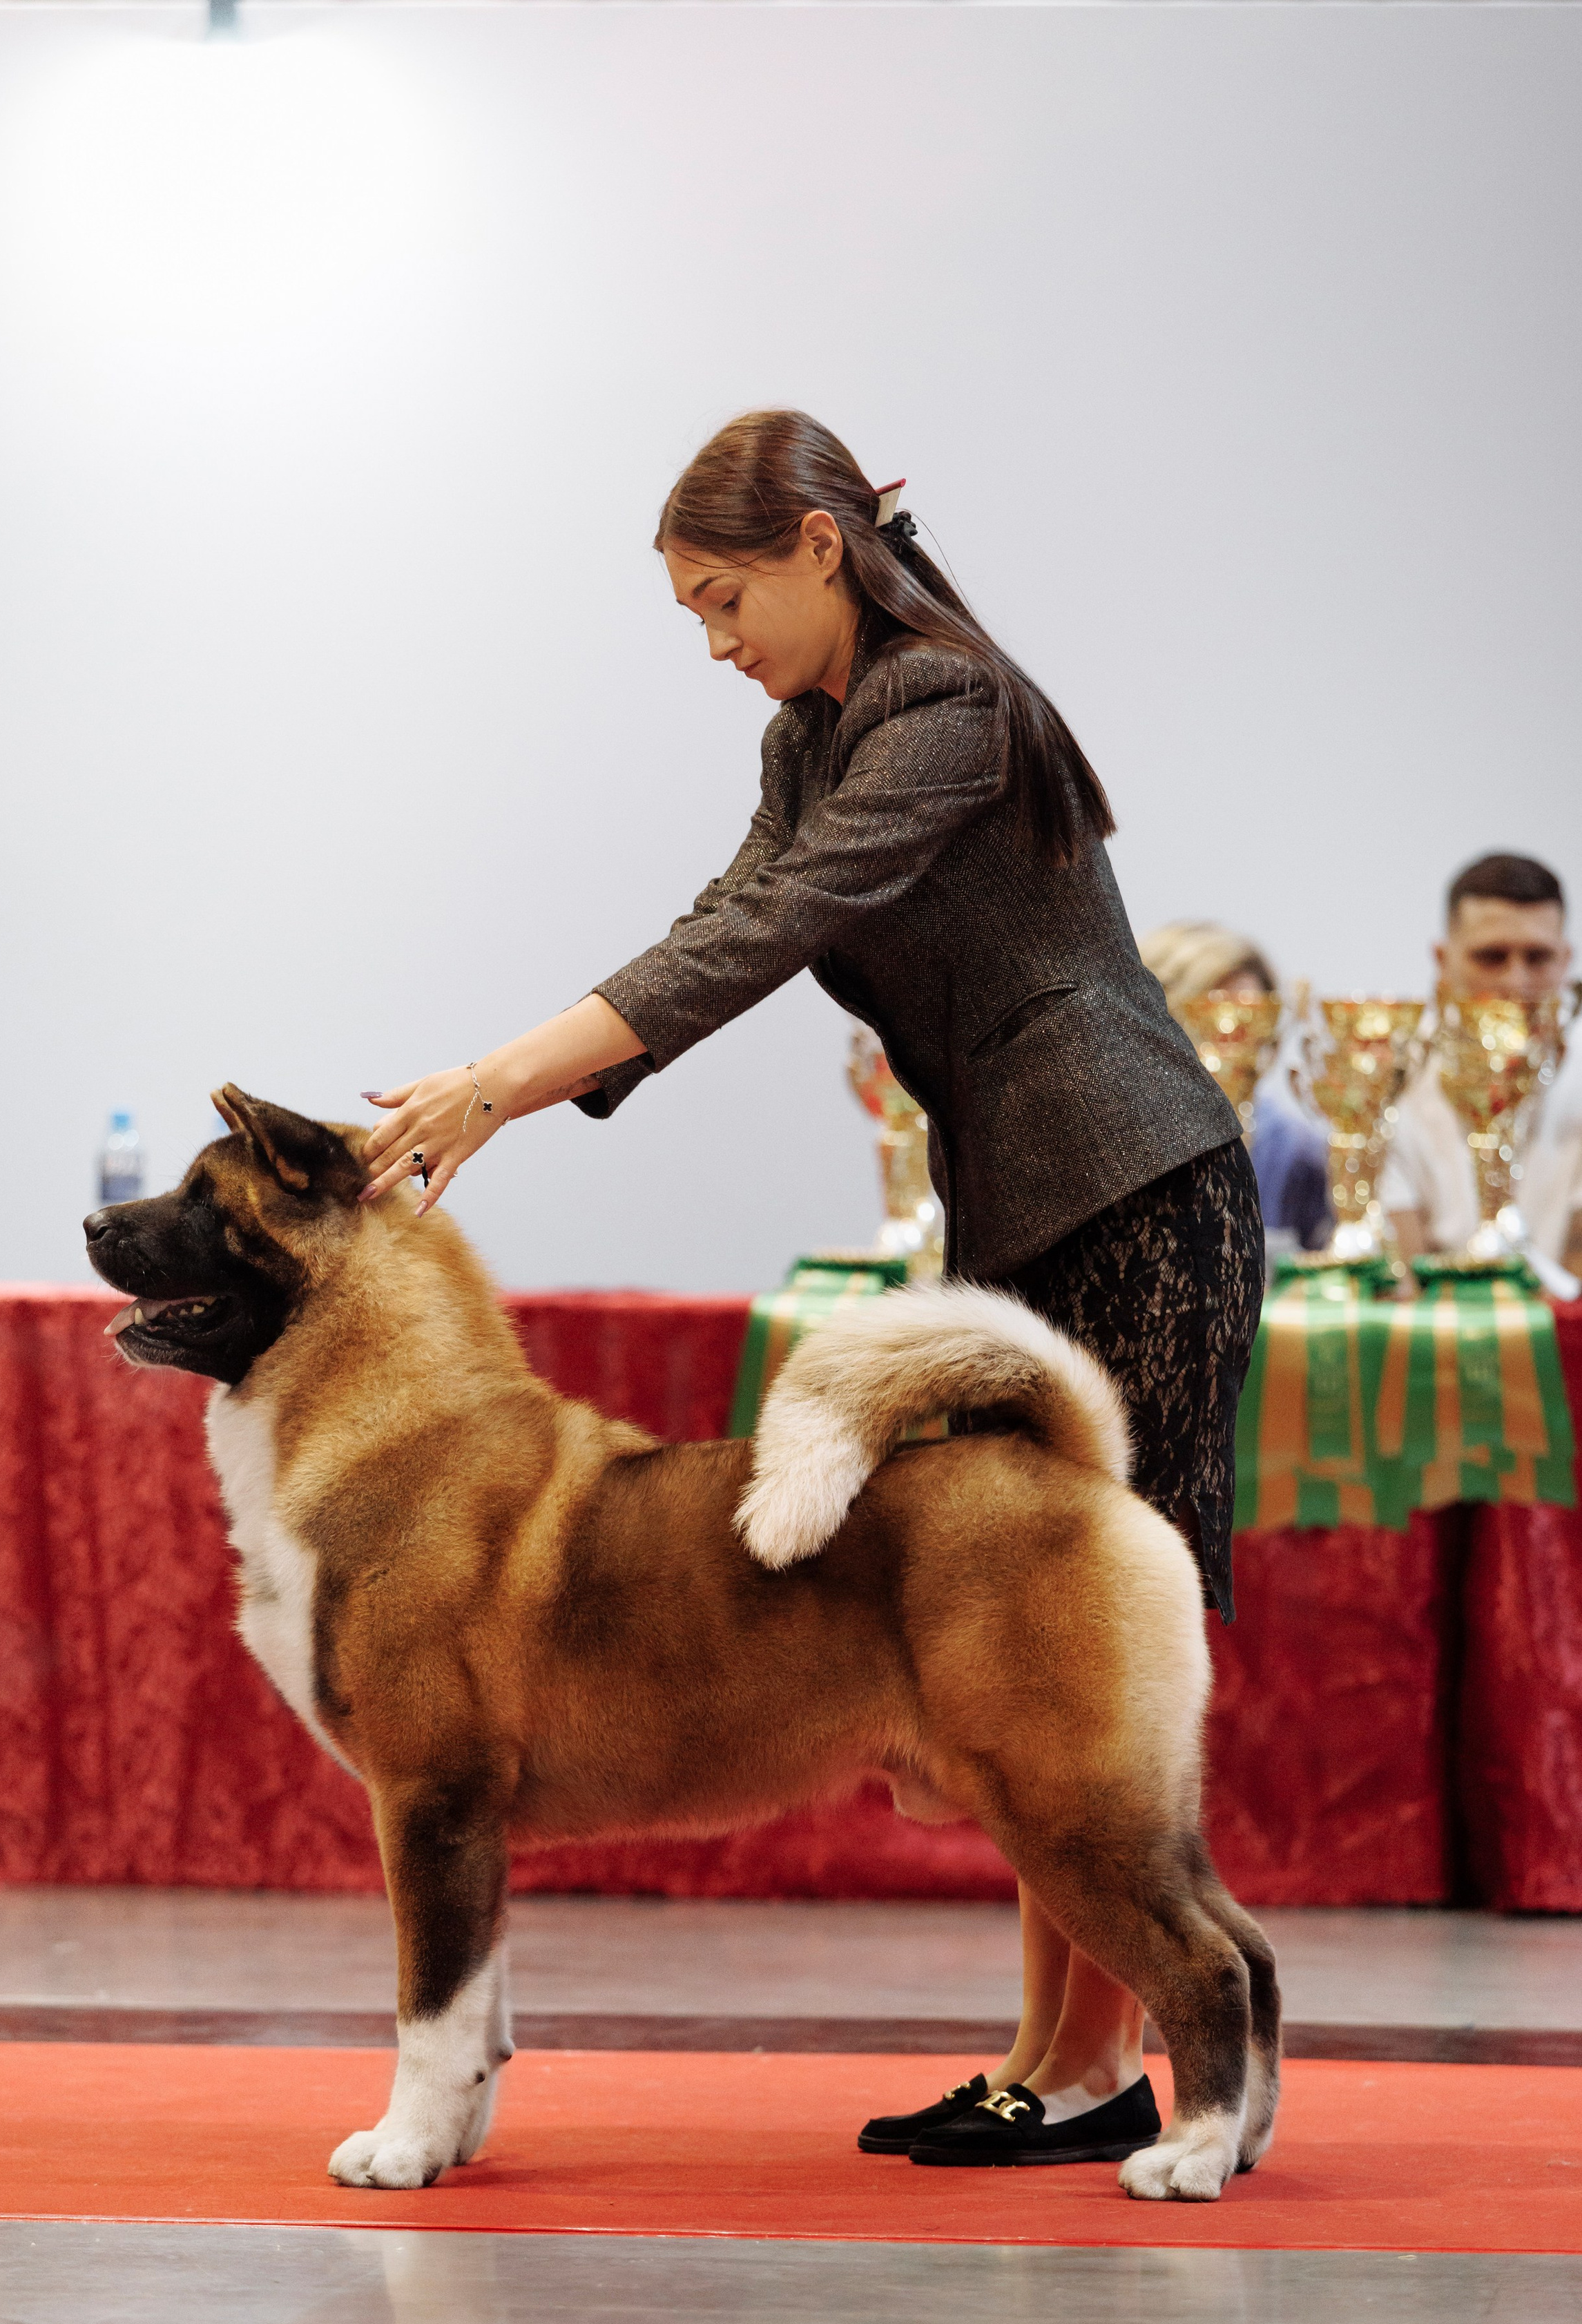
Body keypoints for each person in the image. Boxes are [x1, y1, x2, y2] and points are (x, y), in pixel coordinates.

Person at [358, 409, 1264, 2170]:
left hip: (1138, 1187)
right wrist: (500, 1078)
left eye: (721, 599)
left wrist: (491, 1086)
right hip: (1022, 1201)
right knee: (1007, 1656)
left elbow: (752, 942)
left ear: (817, 549)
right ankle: (1056, 2066)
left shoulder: (945, 709)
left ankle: (1112, 2068)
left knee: (1057, 1654)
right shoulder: (810, 735)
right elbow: (735, 901)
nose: (713, 642)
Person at [1382, 854, 1582, 1284]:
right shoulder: (1391, 1080)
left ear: (1566, 962)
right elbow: (1402, 1282)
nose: (1516, 983)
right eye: (1491, 957)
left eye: (1538, 957)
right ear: (1443, 959)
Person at [1138, 921, 1332, 1251]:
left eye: (1248, 1024)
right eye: (1211, 1021)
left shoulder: (1294, 1153)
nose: (1230, 1047)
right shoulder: (1124, 1144)